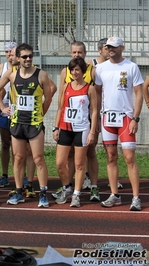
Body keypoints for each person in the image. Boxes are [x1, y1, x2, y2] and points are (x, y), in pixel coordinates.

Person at [0, 43, 53, 208]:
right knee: (18, 158)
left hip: (34, 123)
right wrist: (3, 108)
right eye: (24, 56)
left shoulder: (41, 75)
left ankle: (43, 193)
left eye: (30, 56)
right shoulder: (12, 74)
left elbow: (48, 97)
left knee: (38, 158)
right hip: (17, 122)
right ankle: (19, 191)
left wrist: (41, 113)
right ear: (18, 58)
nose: (28, 59)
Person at [95, 36, 143, 211]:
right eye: (108, 46)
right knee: (110, 157)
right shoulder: (100, 68)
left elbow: (139, 93)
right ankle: (114, 195)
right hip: (107, 118)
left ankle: (136, 197)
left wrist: (135, 118)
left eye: (114, 46)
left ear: (122, 47)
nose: (111, 49)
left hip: (125, 118)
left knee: (129, 157)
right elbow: (98, 93)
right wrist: (98, 117)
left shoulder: (131, 67)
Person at [53, 41, 100, 202]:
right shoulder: (66, 80)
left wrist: (94, 129)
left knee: (86, 158)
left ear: (85, 53)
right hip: (66, 126)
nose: (76, 55)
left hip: (84, 126)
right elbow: (60, 105)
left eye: (79, 52)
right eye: (74, 52)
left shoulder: (91, 78)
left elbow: (95, 107)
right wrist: (56, 126)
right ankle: (68, 187)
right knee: (61, 162)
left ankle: (84, 191)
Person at [91, 38, 124, 191]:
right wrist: (95, 115)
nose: (108, 50)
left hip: (118, 114)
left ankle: (114, 182)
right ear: (100, 50)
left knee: (118, 154)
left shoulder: (125, 67)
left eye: (111, 47)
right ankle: (89, 178)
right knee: (91, 147)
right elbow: (95, 91)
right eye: (106, 47)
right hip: (98, 113)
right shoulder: (95, 67)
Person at [0, 41, 18, 189]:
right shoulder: (1, 68)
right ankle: (4, 175)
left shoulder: (23, 68)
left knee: (18, 146)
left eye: (12, 52)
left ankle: (19, 175)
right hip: (5, 110)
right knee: (5, 144)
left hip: (18, 111)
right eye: (7, 52)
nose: (9, 55)